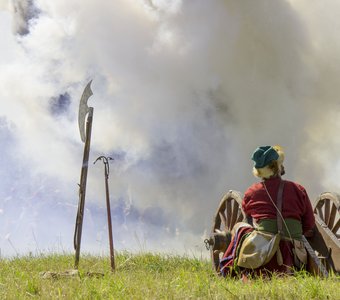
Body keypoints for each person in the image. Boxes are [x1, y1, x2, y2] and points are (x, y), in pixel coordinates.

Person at [220, 145, 315, 277]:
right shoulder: (299, 189)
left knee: (240, 228)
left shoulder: (252, 192)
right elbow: (309, 223)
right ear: (278, 166)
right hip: (295, 258)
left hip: (262, 259)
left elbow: (248, 218)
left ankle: (229, 272)